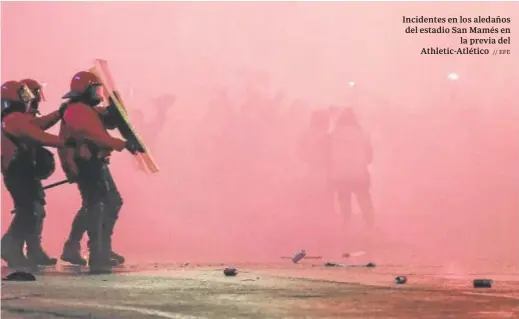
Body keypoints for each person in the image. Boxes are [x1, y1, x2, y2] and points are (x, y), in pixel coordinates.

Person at [57, 71, 141, 272]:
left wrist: (115, 107)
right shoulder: (77, 110)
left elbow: (109, 121)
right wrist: (122, 143)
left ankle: (97, 248)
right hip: (86, 164)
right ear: (86, 90)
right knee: (97, 205)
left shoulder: (85, 109)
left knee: (103, 203)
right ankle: (98, 252)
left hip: (93, 162)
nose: (99, 93)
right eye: (96, 89)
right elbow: (94, 135)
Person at [1, 80, 68, 268]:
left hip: (23, 170)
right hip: (18, 172)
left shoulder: (15, 118)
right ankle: (9, 246)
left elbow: (37, 125)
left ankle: (28, 250)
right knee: (28, 212)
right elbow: (39, 134)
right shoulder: (13, 119)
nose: (29, 98)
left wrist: (58, 113)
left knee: (33, 210)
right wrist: (67, 142)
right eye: (24, 95)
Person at [328, 108, 374, 228]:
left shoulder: (334, 135)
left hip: (341, 173)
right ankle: (370, 224)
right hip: (359, 173)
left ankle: (346, 224)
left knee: (344, 199)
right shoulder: (363, 133)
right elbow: (369, 157)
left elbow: (329, 155)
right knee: (364, 199)